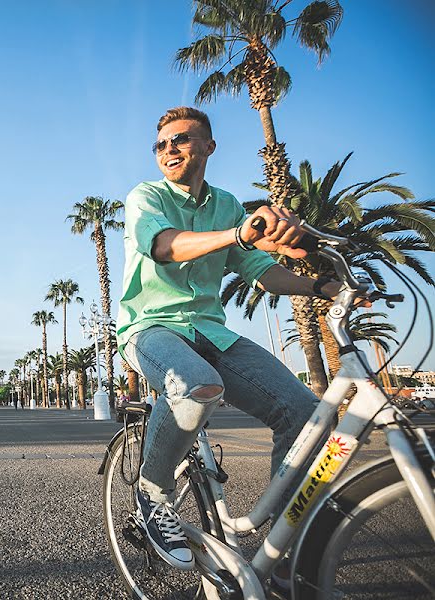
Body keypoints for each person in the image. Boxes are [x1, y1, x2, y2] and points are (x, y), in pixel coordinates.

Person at [116, 107, 342, 573]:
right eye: (161, 144)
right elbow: (166, 246)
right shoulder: (146, 197)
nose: (168, 150)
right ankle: (153, 493)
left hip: (211, 332)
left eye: (180, 140)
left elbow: (263, 272)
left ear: (209, 146)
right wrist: (238, 234)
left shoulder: (227, 204)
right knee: (197, 386)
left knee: (305, 411)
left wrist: (324, 286)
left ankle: (283, 546)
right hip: (151, 328)